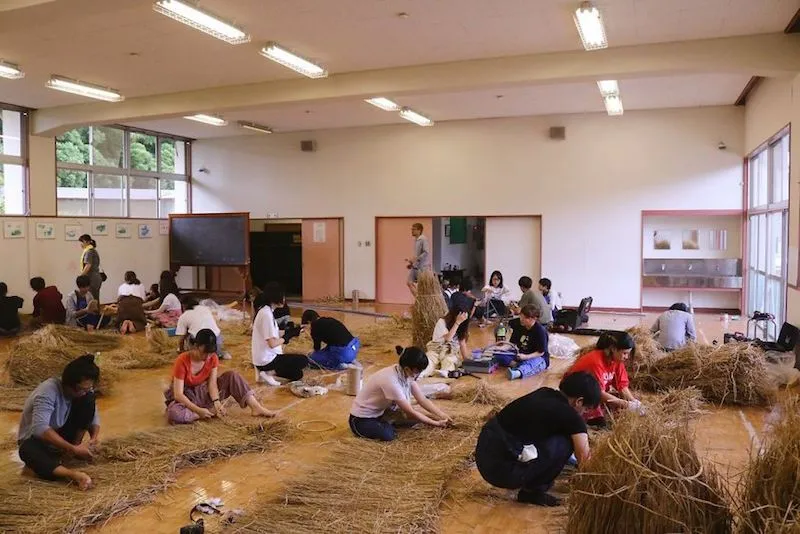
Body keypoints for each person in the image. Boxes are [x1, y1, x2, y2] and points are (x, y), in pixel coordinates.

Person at [475, 372, 601, 507]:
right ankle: (532, 491)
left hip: (484, 457)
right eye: (586, 409)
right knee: (566, 442)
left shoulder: (544, 392)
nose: (584, 414)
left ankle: (528, 477)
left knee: (561, 437)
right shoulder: (571, 417)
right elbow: (584, 459)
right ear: (579, 401)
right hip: (501, 471)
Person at [17, 354, 101, 490]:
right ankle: (72, 474)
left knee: (88, 400)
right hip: (37, 441)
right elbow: (40, 428)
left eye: (88, 389)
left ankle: (68, 454)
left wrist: (94, 439)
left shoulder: (83, 394)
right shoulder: (47, 391)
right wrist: (72, 448)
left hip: (62, 437)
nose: (84, 392)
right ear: (68, 384)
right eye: (81, 389)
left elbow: (93, 415)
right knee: (28, 451)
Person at [164, 328, 274, 424]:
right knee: (174, 414)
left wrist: (216, 402)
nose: (207, 357)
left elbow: (212, 384)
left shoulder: (213, 358)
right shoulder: (182, 360)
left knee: (232, 375)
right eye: (203, 353)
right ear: (196, 346)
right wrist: (198, 411)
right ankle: (206, 413)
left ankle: (256, 407)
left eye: (210, 353)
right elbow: (178, 394)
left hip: (205, 392)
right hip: (188, 396)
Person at [349, 346, 452, 441]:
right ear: (407, 368)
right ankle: (387, 423)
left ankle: (388, 421)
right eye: (417, 371)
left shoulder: (405, 373)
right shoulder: (391, 380)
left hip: (379, 414)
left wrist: (442, 415)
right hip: (361, 419)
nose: (418, 375)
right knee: (389, 435)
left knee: (416, 421)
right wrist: (436, 423)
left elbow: (422, 400)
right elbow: (410, 411)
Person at [565, 331, 641, 426]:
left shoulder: (616, 360)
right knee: (600, 425)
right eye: (625, 353)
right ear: (613, 349)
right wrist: (627, 405)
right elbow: (599, 393)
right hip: (576, 397)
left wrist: (633, 401)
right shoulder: (595, 362)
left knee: (617, 408)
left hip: (592, 394)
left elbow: (622, 385)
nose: (627, 357)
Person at [252, 282, 308, 385]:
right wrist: (287, 337)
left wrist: (292, 331)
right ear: (275, 297)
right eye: (282, 296)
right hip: (267, 360)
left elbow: (273, 333)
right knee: (303, 360)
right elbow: (272, 343)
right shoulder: (266, 315)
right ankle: (268, 372)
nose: (284, 299)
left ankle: (267, 372)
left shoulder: (266, 311)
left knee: (297, 374)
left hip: (265, 357)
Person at [422, 306, 470, 378]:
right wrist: (457, 322)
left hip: (450, 352)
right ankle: (423, 375)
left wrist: (468, 362)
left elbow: (462, 344)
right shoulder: (442, 322)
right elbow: (448, 338)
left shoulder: (462, 325)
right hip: (437, 349)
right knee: (430, 361)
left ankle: (443, 377)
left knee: (448, 361)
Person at [507, 305, 550, 380]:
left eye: (525, 318)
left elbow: (540, 352)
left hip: (536, 357)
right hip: (521, 355)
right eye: (521, 317)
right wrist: (497, 348)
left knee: (535, 363)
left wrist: (526, 357)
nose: (521, 320)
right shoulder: (519, 326)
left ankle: (518, 372)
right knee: (499, 355)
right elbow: (512, 344)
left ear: (534, 319)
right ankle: (517, 364)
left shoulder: (540, 331)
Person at [405, 222, 431, 297]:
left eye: (414, 229)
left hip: (423, 267)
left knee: (422, 286)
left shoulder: (423, 239)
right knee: (409, 282)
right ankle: (418, 299)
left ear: (419, 230)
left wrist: (416, 259)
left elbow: (426, 252)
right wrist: (411, 263)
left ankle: (421, 300)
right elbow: (417, 255)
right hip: (416, 266)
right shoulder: (416, 240)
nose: (412, 231)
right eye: (412, 229)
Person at [78, 234, 103, 303]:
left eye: (81, 242)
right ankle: (95, 313)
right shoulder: (92, 250)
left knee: (92, 300)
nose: (80, 244)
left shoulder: (89, 252)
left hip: (92, 278)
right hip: (94, 278)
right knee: (94, 299)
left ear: (86, 242)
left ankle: (95, 313)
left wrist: (80, 277)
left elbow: (88, 265)